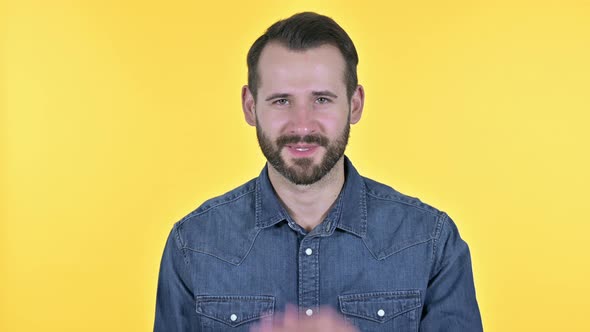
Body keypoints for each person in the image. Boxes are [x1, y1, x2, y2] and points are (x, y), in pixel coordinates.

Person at [154, 12, 483, 331]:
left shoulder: (430, 240)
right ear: (250, 106)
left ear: (354, 104)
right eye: (281, 100)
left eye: (322, 99)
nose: (302, 125)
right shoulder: (193, 244)